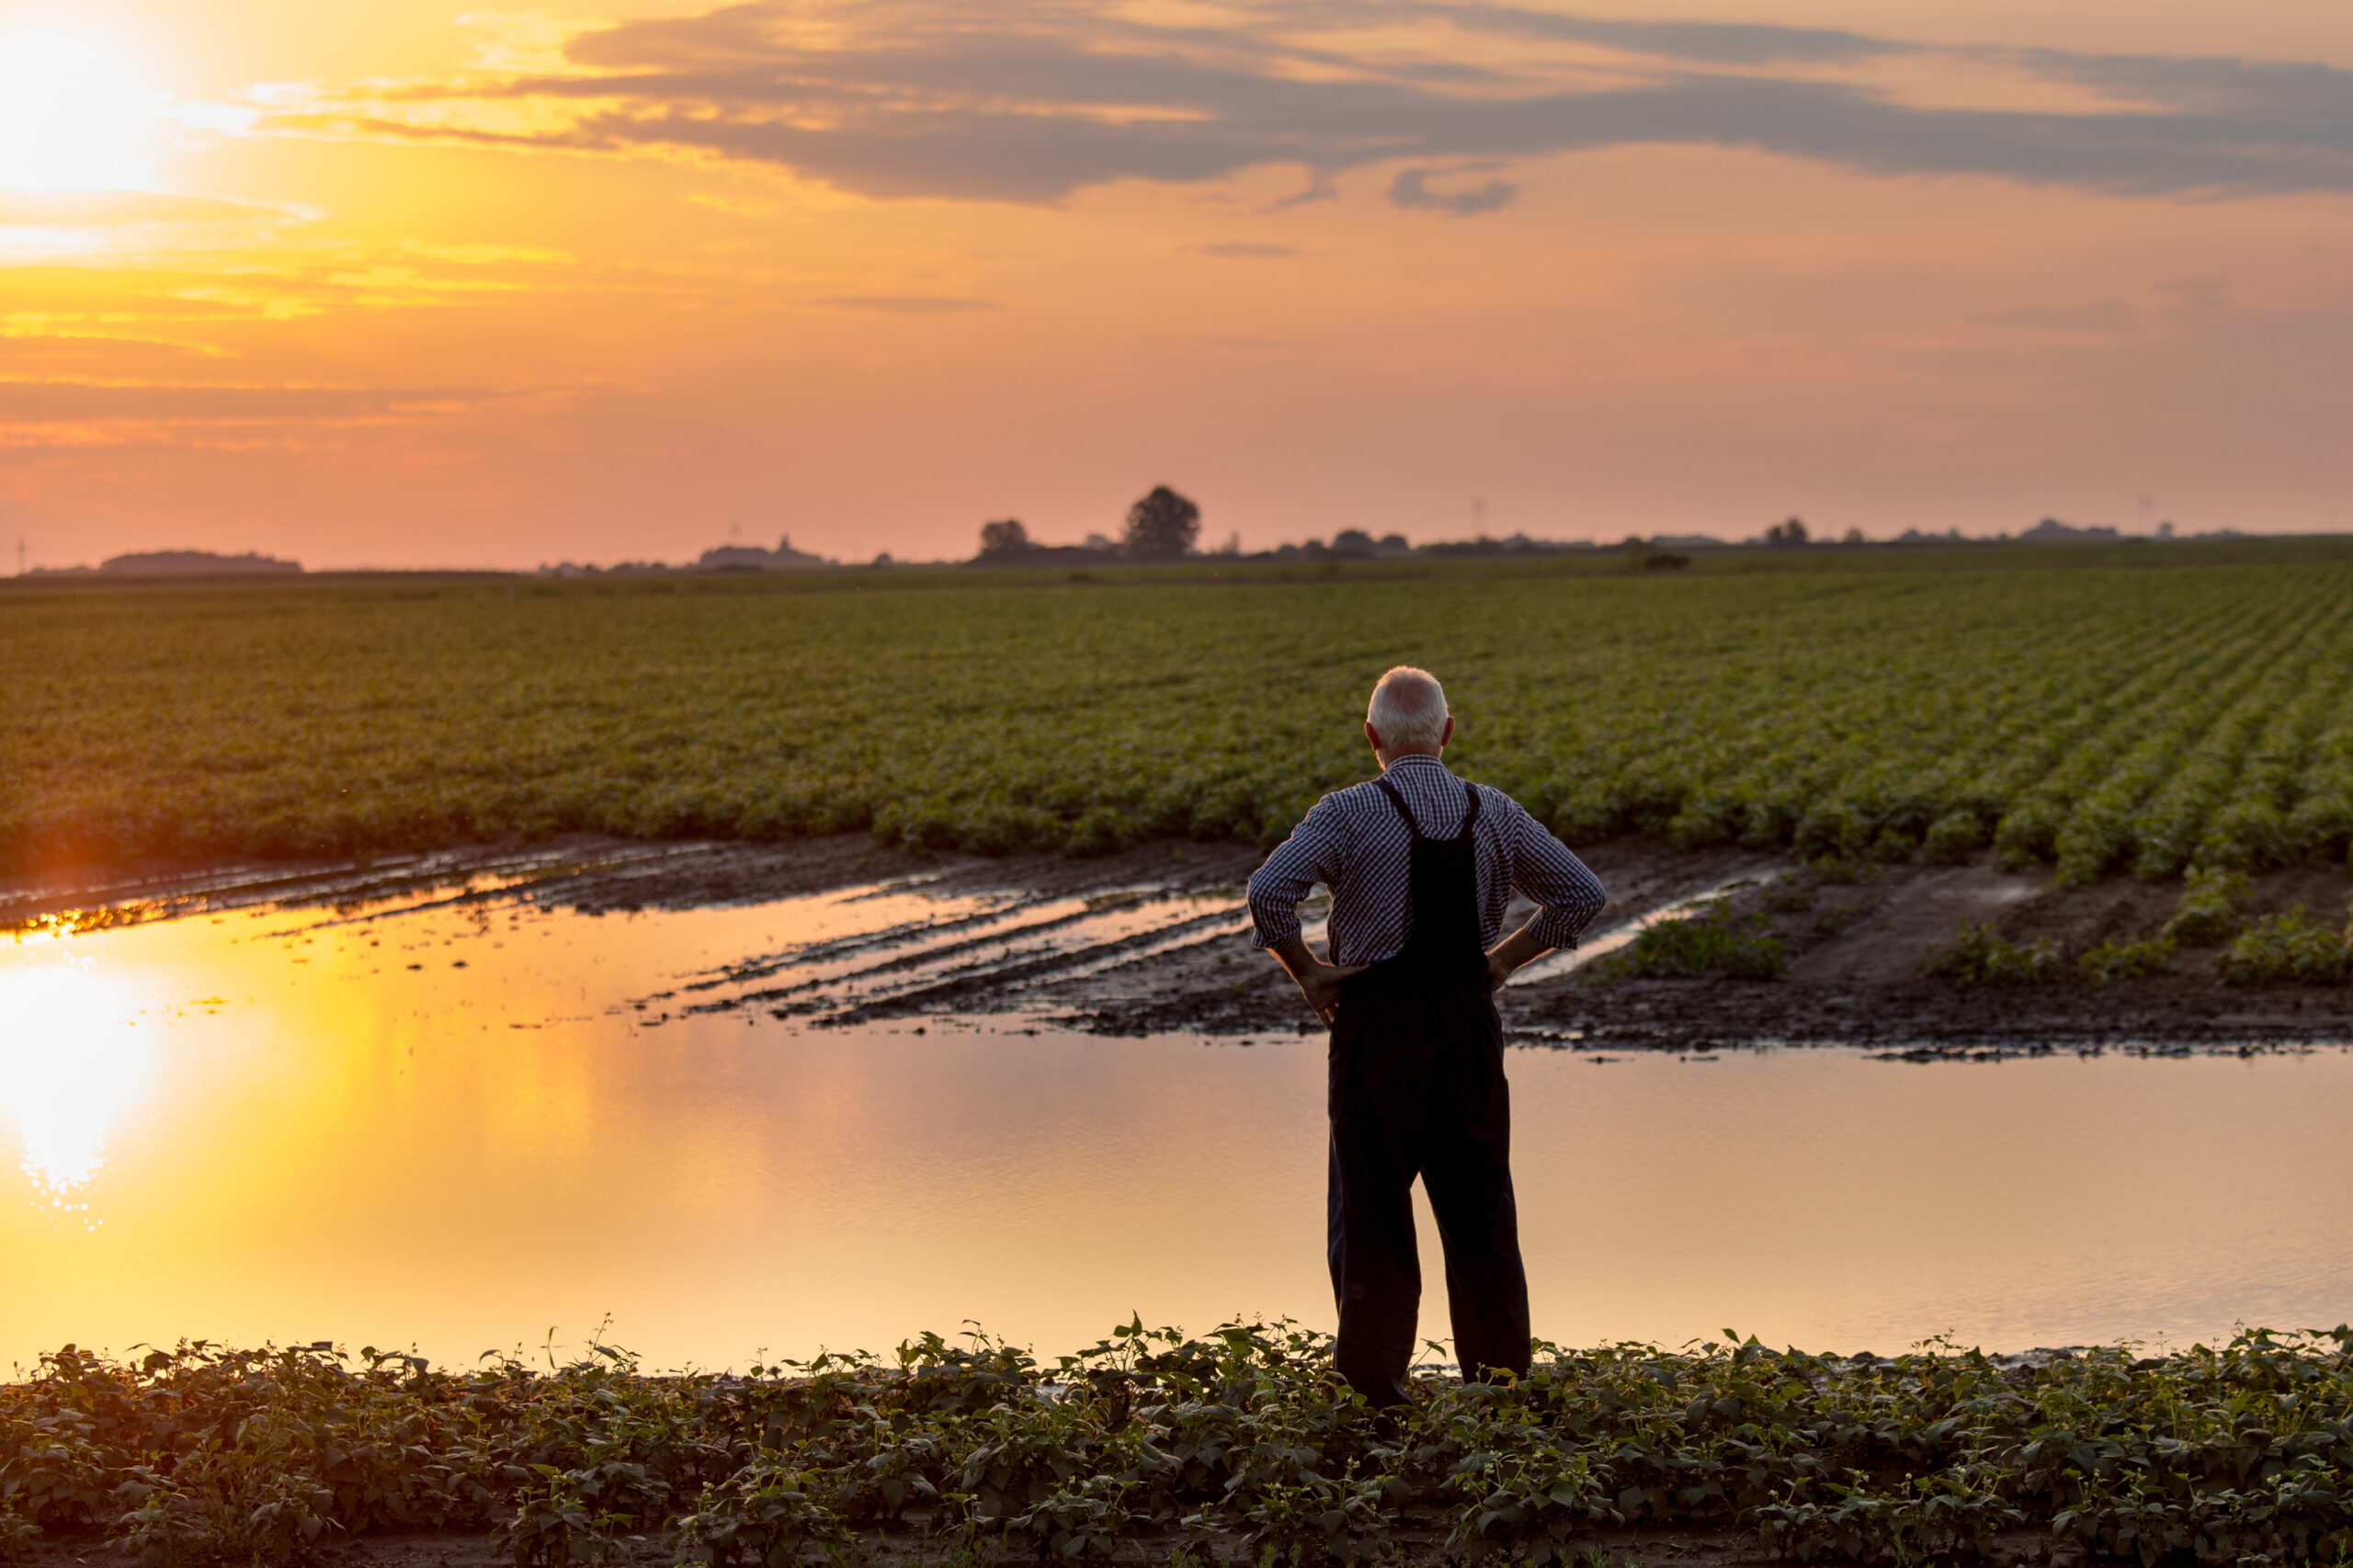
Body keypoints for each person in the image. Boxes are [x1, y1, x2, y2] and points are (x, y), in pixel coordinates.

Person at [1246, 666, 1608, 1405]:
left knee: (1371, 1211)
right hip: (1467, 1031)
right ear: (1447, 733)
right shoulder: (1494, 811)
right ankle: (1499, 1392)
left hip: (1376, 1031)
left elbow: (1267, 891)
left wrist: (1308, 972)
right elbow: (1581, 893)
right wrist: (1502, 961)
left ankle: (1374, 1396)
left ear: (1372, 736)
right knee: (1482, 1214)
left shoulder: (1346, 813)